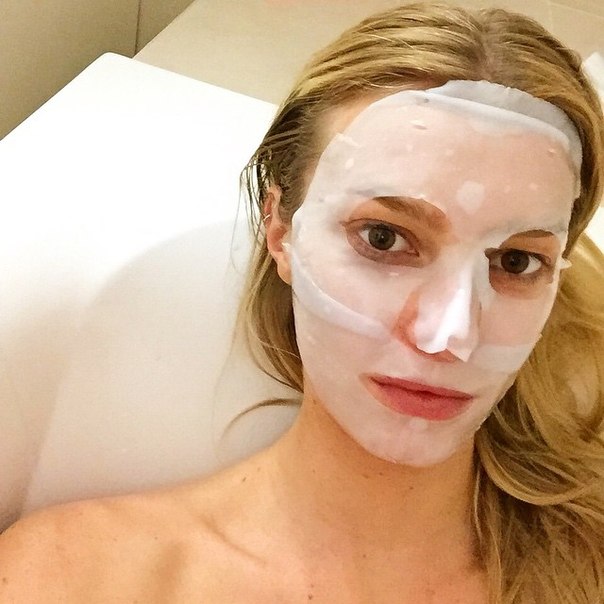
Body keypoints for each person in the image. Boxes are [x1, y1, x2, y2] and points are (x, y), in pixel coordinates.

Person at [1, 3, 603, 603]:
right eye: (383, 238)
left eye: (517, 262)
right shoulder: (72, 579)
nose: (447, 336)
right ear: (280, 230)